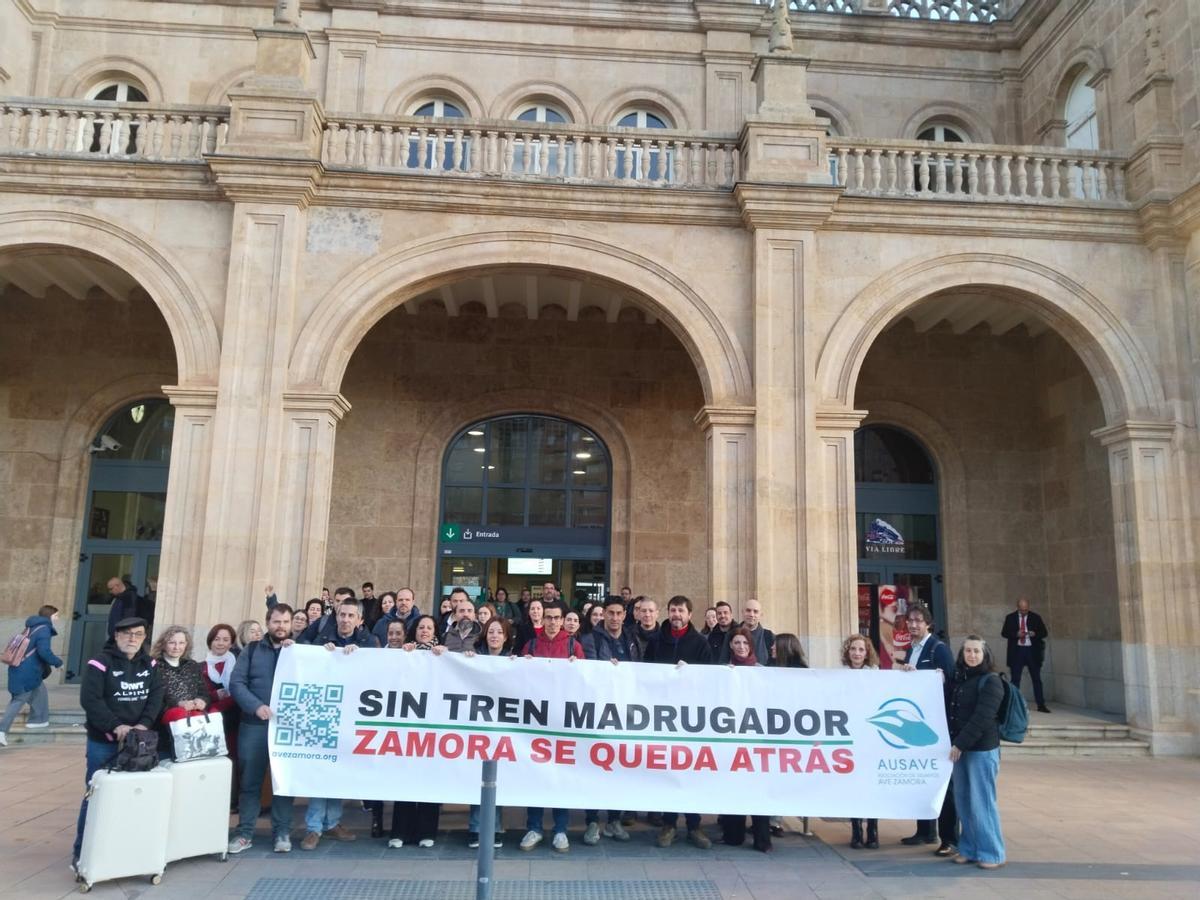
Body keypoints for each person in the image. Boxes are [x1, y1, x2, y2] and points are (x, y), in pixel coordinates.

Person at [73, 616, 163, 870]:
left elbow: (156, 696)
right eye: (126, 634)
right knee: (96, 794)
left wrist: (143, 725)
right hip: (105, 741)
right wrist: (116, 726)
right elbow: (90, 700)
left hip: (139, 743)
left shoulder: (151, 663)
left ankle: (124, 851)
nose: (132, 639)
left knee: (135, 797)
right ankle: (82, 854)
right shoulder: (99, 663)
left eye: (138, 634)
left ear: (144, 638)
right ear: (116, 636)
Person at [296, 597, 377, 849]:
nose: (345, 620)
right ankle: (314, 827)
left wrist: (360, 656)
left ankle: (332, 822)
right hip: (326, 714)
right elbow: (299, 653)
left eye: (351, 616)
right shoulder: (321, 640)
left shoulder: (369, 643)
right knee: (322, 768)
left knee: (338, 770)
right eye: (342, 615)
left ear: (360, 620)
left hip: (354, 717)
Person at [227, 604, 296, 855]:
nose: (281, 627)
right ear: (268, 622)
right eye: (276, 622)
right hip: (254, 726)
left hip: (287, 730)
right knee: (250, 783)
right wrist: (255, 706)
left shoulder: (300, 651)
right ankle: (244, 833)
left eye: (285, 622)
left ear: (291, 625)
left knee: (283, 782)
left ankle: (282, 832)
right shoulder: (252, 650)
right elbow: (237, 683)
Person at [646, 595, 713, 850]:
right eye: (672, 610)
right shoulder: (656, 641)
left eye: (681, 611)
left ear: (689, 614)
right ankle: (669, 824)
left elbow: (708, 677)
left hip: (690, 718)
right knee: (667, 771)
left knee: (691, 771)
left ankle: (694, 825)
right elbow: (645, 672)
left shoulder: (700, 643)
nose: (676, 614)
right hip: (662, 716)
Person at [519, 601, 584, 853]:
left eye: (557, 617)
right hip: (536, 721)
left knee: (560, 777)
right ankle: (534, 827)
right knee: (535, 775)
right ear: (542, 620)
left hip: (562, 722)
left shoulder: (573, 646)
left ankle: (560, 830)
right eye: (549, 617)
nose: (553, 622)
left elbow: (584, 682)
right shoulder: (531, 645)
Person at [899, 601, 957, 854]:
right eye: (910, 621)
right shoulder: (911, 649)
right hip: (918, 725)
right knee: (921, 778)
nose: (913, 625)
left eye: (918, 621)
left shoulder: (938, 649)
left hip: (937, 724)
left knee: (944, 784)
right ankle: (925, 830)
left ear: (928, 624)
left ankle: (949, 838)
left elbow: (950, 681)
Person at [580, 595, 638, 843]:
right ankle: (592, 821)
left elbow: (639, 670)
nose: (615, 618)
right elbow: (589, 672)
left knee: (620, 768)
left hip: (623, 713)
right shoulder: (590, 639)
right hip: (598, 712)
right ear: (603, 614)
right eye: (610, 613)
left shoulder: (631, 639)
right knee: (594, 768)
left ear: (625, 615)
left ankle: (614, 820)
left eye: (619, 613)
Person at [948, 635, 1006, 870]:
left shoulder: (991, 681)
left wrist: (959, 744)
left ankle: (992, 853)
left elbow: (983, 718)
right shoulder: (961, 679)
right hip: (961, 750)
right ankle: (969, 848)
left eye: (976, 652)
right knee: (963, 800)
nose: (971, 655)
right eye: (968, 651)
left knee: (982, 802)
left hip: (981, 750)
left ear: (985, 655)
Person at [391, 615, 444, 848]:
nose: (424, 631)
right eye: (421, 627)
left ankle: (426, 832)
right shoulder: (406, 653)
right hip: (408, 725)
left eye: (429, 628)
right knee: (404, 778)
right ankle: (400, 832)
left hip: (433, 727)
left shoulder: (443, 655)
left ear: (435, 632)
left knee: (429, 779)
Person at [718, 627, 773, 852]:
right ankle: (734, 834)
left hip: (756, 738)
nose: (741, 647)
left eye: (745, 643)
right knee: (733, 786)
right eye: (737, 643)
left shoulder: (761, 671)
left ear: (751, 646)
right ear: (730, 645)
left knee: (758, 787)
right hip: (732, 738)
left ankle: (762, 837)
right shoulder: (722, 671)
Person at [463, 617, 513, 848]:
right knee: (479, 778)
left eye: (499, 632)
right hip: (479, 727)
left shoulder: (513, 659)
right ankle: (475, 828)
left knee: (498, 780)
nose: (494, 636)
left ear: (505, 636)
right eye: (491, 631)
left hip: (502, 728)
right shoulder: (474, 656)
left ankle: (495, 827)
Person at [0, 604, 62, 747]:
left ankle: (38, 720)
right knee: (18, 700)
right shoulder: (44, 629)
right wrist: (58, 662)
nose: (58, 619)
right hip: (27, 672)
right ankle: (1, 731)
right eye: (56, 616)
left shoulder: (31, 627)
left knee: (40, 691)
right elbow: (44, 651)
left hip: (23, 670)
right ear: (50, 616)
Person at [842, 633, 880, 850]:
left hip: (869, 739)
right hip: (849, 738)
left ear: (867, 654)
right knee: (853, 786)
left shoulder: (875, 675)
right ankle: (856, 830)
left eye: (861, 650)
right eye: (853, 649)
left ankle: (872, 830)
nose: (857, 653)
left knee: (870, 786)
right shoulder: (841, 675)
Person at [151, 625, 211, 759]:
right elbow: (153, 699)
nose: (177, 647)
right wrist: (178, 704)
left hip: (192, 731)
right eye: (172, 642)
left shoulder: (192, 666)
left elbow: (204, 693)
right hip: (162, 732)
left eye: (181, 643)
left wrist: (202, 700)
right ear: (163, 644)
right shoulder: (154, 666)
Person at [1001, 597, 1050, 713]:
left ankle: (1041, 704)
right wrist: (1016, 634)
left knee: (1036, 679)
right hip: (1017, 651)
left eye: (1026, 610)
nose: (1024, 612)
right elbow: (1004, 633)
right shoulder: (1010, 618)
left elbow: (1044, 633)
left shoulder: (1036, 617)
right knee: (1015, 679)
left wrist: (1035, 634)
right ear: (1018, 607)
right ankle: (1013, 705)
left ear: (1028, 607)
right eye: (1022, 610)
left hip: (1032, 651)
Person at [740, 598, 775, 664]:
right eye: (748, 610)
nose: (751, 615)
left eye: (755, 611)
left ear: (761, 615)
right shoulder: (731, 634)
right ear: (742, 612)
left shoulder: (769, 636)